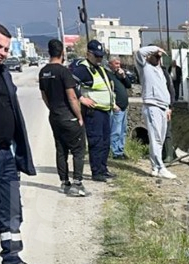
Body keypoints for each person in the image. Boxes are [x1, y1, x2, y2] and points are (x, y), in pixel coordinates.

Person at [0, 24, 41, 264]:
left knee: (12, 207)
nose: (2, 53)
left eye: (5, 48)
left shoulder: (3, 74)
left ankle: (11, 260)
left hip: (5, 154)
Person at [39, 39, 87, 197]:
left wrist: (53, 109)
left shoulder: (43, 72)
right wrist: (79, 116)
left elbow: (44, 95)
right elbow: (72, 97)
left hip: (54, 116)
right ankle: (77, 184)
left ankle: (64, 182)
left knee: (61, 150)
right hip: (68, 117)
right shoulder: (64, 72)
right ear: (62, 53)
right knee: (78, 150)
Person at [71, 40, 116, 182]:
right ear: (88, 54)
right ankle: (96, 172)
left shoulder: (99, 68)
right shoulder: (83, 69)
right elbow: (70, 83)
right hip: (93, 112)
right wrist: (81, 99)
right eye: (96, 56)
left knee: (105, 141)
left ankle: (103, 168)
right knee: (96, 142)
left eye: (101, 56)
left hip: (104, 111)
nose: (99, 58)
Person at [134, 45, 176, 179]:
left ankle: (156, 167)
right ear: (149, 56)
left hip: (163, 107)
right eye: (155, 56)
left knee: (160, 139)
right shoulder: (144, 68)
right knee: (156, 138)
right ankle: (160, 167)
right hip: (153, 106)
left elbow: (165, 90)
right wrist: (156, 48)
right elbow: (139, 52)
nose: (158, 59)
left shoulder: (161, 71)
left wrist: (168, 107)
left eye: (159, 57)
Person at [106, 56, 132, 160]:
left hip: (123, 107)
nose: (118, 66)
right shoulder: (108, 75)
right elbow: (108, 91)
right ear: (110, 64)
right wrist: (113, 104)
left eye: (119, 64)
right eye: (116, 64)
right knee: (115, 131)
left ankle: (120, 150)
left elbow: (129, 85)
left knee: (123, 131)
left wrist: (124, 76)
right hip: (116, 107)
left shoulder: (119, 75)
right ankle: (115, 152)